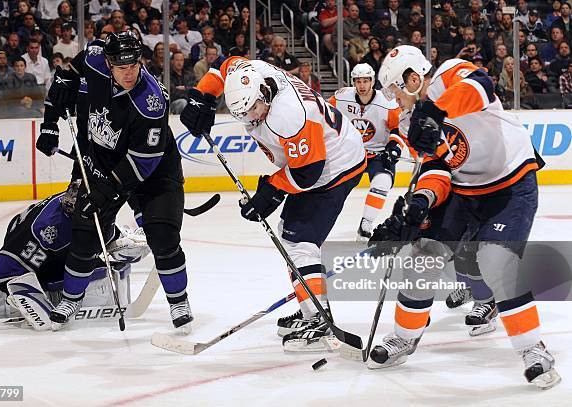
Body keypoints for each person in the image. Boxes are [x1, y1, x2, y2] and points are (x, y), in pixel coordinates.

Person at [366, 45, 560, 389]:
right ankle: (404, 337)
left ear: (412, 79)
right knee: (420, 255)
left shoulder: (450, 74)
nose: (394, 100)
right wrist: (421, 203)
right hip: (463, 191)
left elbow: (480, 85)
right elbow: (436, 170)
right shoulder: (412, 122)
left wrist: (435, 111)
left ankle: (533, 349)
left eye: (396, 90)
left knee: (496, 260)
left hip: (511, 184)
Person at [179, 55, 366, 351]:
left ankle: (318, 318)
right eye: (240, 114)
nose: (249, 119)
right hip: (320, 156)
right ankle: (310, 306)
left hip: (335, 166)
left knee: (299, 240)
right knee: (290, 233)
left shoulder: (289, 115)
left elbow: (308, 172)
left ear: (264, 94)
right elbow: (222, 64)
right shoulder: (252, 74)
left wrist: (272, 191)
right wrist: (201, 97)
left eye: (253, 110)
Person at [35, 31, 194, 332]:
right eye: (121, 67)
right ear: (108, 63)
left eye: (133, 65)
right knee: (84, 237)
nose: (129, 73)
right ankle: (71, 299)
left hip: (154, 171)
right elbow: (64, 80)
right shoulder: (94, 58)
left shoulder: (151, 101)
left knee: (162, 237)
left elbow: (143, 161)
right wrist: (49, 125)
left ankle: (179, 301)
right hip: (103, 162)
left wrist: (106, 191)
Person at [0, 182, 149, 330]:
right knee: (84, 271)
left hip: (34, 251)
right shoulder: (50, 229)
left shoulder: (79, 203)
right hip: (13, 268)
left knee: (91, 265)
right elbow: (5, 268)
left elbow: (99, 233)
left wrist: (123, 242)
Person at [327, 63, 404, 240]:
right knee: (332, 189)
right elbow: (324, 114)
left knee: (383, 181)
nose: (362, 85)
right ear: (353, 82)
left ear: (372, 81)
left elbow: (398, 128)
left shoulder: (387, 102)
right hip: (351, 154)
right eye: (358, 81)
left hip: (378, 154)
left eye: (365, 81)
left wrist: (393, 148)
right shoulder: (342, 97)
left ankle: (366, 224)